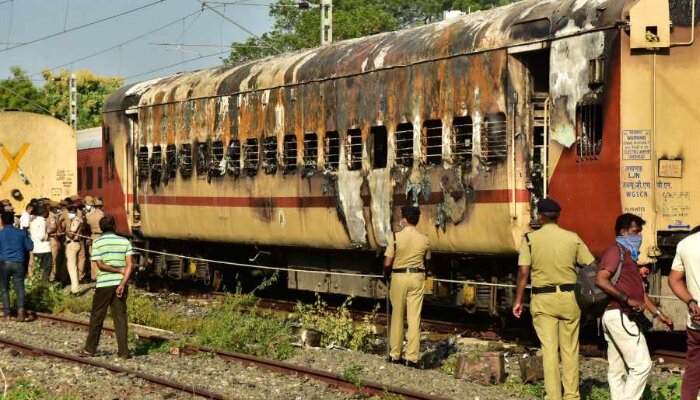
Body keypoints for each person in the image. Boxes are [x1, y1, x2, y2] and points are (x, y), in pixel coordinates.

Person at [513, 198, 595, 400]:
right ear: (558, 216)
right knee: (570, 350)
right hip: (569, 299)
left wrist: (518, 300)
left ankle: (553, 397)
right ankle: (572, 396)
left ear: (540, 216)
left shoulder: (530, 240)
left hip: (544, 299)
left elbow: (524, 273)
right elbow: (591, 264)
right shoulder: (572, 238)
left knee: (549, 351)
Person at [596, 214, 673, 400]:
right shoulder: (616, 251)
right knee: (642, 366)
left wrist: (658, 313)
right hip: (619, 314)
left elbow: (641, 294)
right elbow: (601, 279)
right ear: (623, 232)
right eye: (635, 232)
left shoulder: (629, 256)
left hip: (616, 316)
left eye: (640, 232)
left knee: (617, 370)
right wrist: (626, 299)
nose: (639, 236)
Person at [78, 215, 134, 359]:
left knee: (97, 316)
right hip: (120, 284)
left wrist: (115, 270)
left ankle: (90, 349)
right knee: (120, 318)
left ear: (101, 228)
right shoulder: (125, 241)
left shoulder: (98, 242)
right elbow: (130, 265)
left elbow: (100, 265)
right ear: (114, 226)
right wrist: (122, 283)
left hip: (104, 284)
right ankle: (124, 352)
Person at [383, 205, 431, 368]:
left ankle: (395, 355)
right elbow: (427, 262)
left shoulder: (395, 237)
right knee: (414, 318)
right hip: (417, 276)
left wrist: (385, 273)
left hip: (399, 276)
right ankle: (412, 358)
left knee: (397, 316)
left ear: (404, 219)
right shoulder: (425, 239)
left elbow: (388, 262)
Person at [668, 225, 700, 400]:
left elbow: (674, 280)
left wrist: (691, 301)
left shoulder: (685, 244)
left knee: (693, 371)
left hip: (696, 321)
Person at [0, 211, 33, 322]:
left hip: (4, 264)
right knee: (20, 288)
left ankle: (7, 315)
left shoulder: (0, 233)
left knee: (5, 289)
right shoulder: (21, 233)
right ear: (14, 221)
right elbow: (30, 246)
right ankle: (21, 312)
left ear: (2, 221)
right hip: (19, 264)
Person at [29, 206, 53, 282]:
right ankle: (44, 284)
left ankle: (38, 283)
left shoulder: (33, 221)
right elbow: (42, 236)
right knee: (47, 268)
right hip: (44, 248)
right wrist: (48, 233)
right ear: (44, 213)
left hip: (36, 248)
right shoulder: (42, 221)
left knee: (39, 268)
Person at [64, 205, 82, 294]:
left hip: (72, 243)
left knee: (72, 268)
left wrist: (66, 231)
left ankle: (75, 290)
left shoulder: (76, 220)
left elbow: (71, 235)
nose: (68, 214)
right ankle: (74, 287)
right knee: (73, 267)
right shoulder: (77, 219)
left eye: (69, 212)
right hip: (75, 243)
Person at [85, 197, 104, 281]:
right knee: (102, 257)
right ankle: (101, 276)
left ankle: (94, 276)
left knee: (93, 257)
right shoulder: (103, 215)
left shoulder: (90, 215)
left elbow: (87, 227)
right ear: (101, 205)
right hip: (102, 237)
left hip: (93, 236)